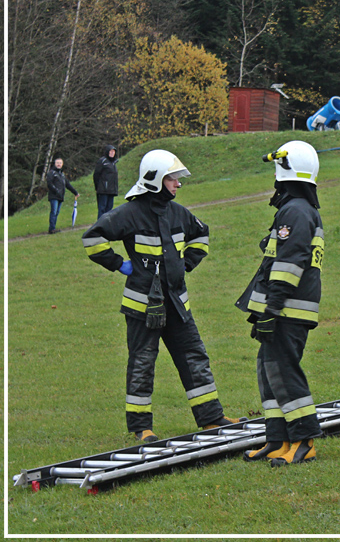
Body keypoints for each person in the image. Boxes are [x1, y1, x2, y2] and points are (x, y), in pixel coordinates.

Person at [82, 149, 239, 443]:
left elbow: (201, 235)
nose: (178, 184)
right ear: (154, 180)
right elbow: (92, 238)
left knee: (194, 358)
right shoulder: (128, 214)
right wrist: (119, 264)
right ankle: (142, 428)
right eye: (172, 178)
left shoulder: (179, 213)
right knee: (142, 363)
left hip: (177, 305)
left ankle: (211, 418)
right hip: (142, 307)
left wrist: (186, 263)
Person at [236, 141, 324, 466]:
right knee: (268, 371)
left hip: (287, 309)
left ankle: (304, 441)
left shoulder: (295, 211)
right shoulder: (298, 209)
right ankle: (277, 439)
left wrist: (272, 308)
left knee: (284, 372)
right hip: (284, 307)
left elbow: (289, 263)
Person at [46, 157, 79, 233]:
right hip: (54, 196)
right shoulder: (51, 173)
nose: (59, 164)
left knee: (57, 212)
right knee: (53, 212)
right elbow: (49, 184)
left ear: (62, 164)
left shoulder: (62, 174)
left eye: (60, 163)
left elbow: (67, 184)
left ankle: (53, 227)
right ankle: (51, 229)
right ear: (55, 163)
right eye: (57, 163)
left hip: (60, 196)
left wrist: (75, 192)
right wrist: (56, 191)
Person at [93, 145, 119, 218]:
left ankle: (107, 226)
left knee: (109, 209)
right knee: (102, 209)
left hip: (112, 190)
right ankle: (100, 226)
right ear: (107, 152)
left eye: (113, 152)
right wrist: (98, 187)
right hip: (103, 189)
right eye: (110, 151)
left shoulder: (114, 163)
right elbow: (96, 175)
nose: (112, 153)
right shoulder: (102, 161)